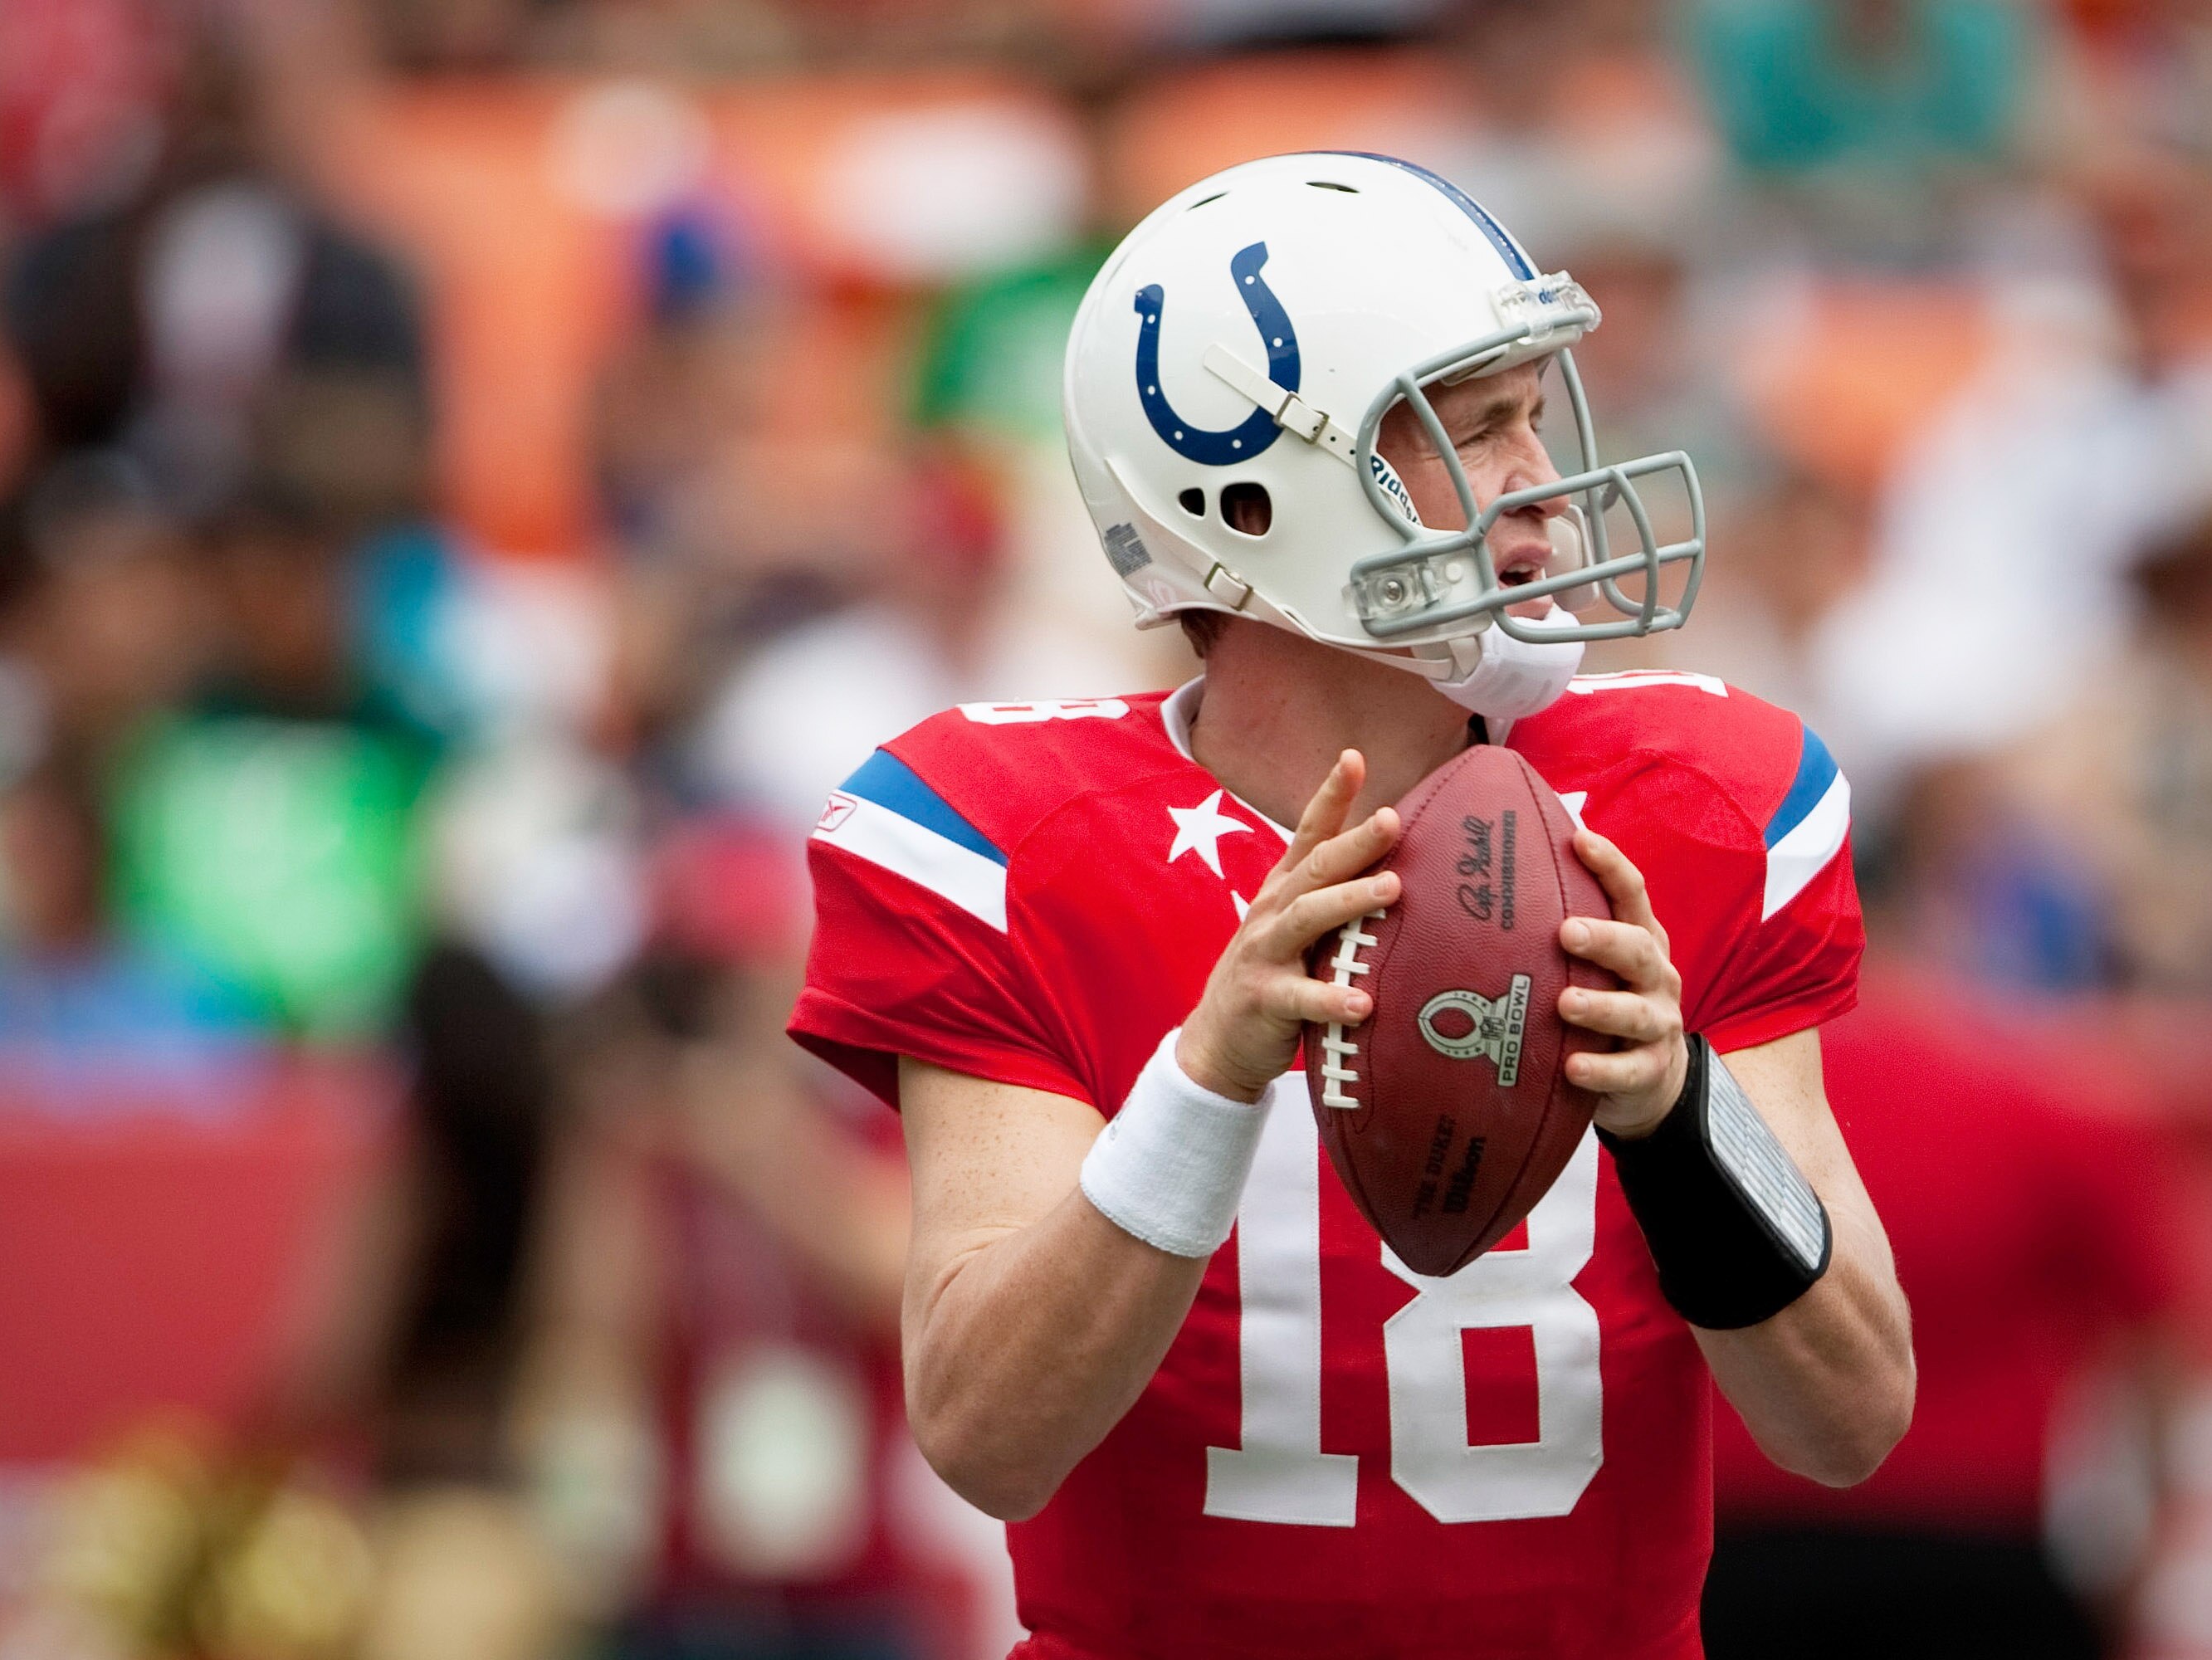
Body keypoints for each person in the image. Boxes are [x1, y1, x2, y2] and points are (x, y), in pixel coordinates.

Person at [787, 153, 1914, 1658]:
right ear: (1255, 486)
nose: (1541, 479)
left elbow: (1851, 1420)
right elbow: (990, 1436)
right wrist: (1205, 1081)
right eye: (1476, 426)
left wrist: (1680, 1110)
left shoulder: (1697, 798)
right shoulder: (1002, 837)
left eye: (1534, 414)